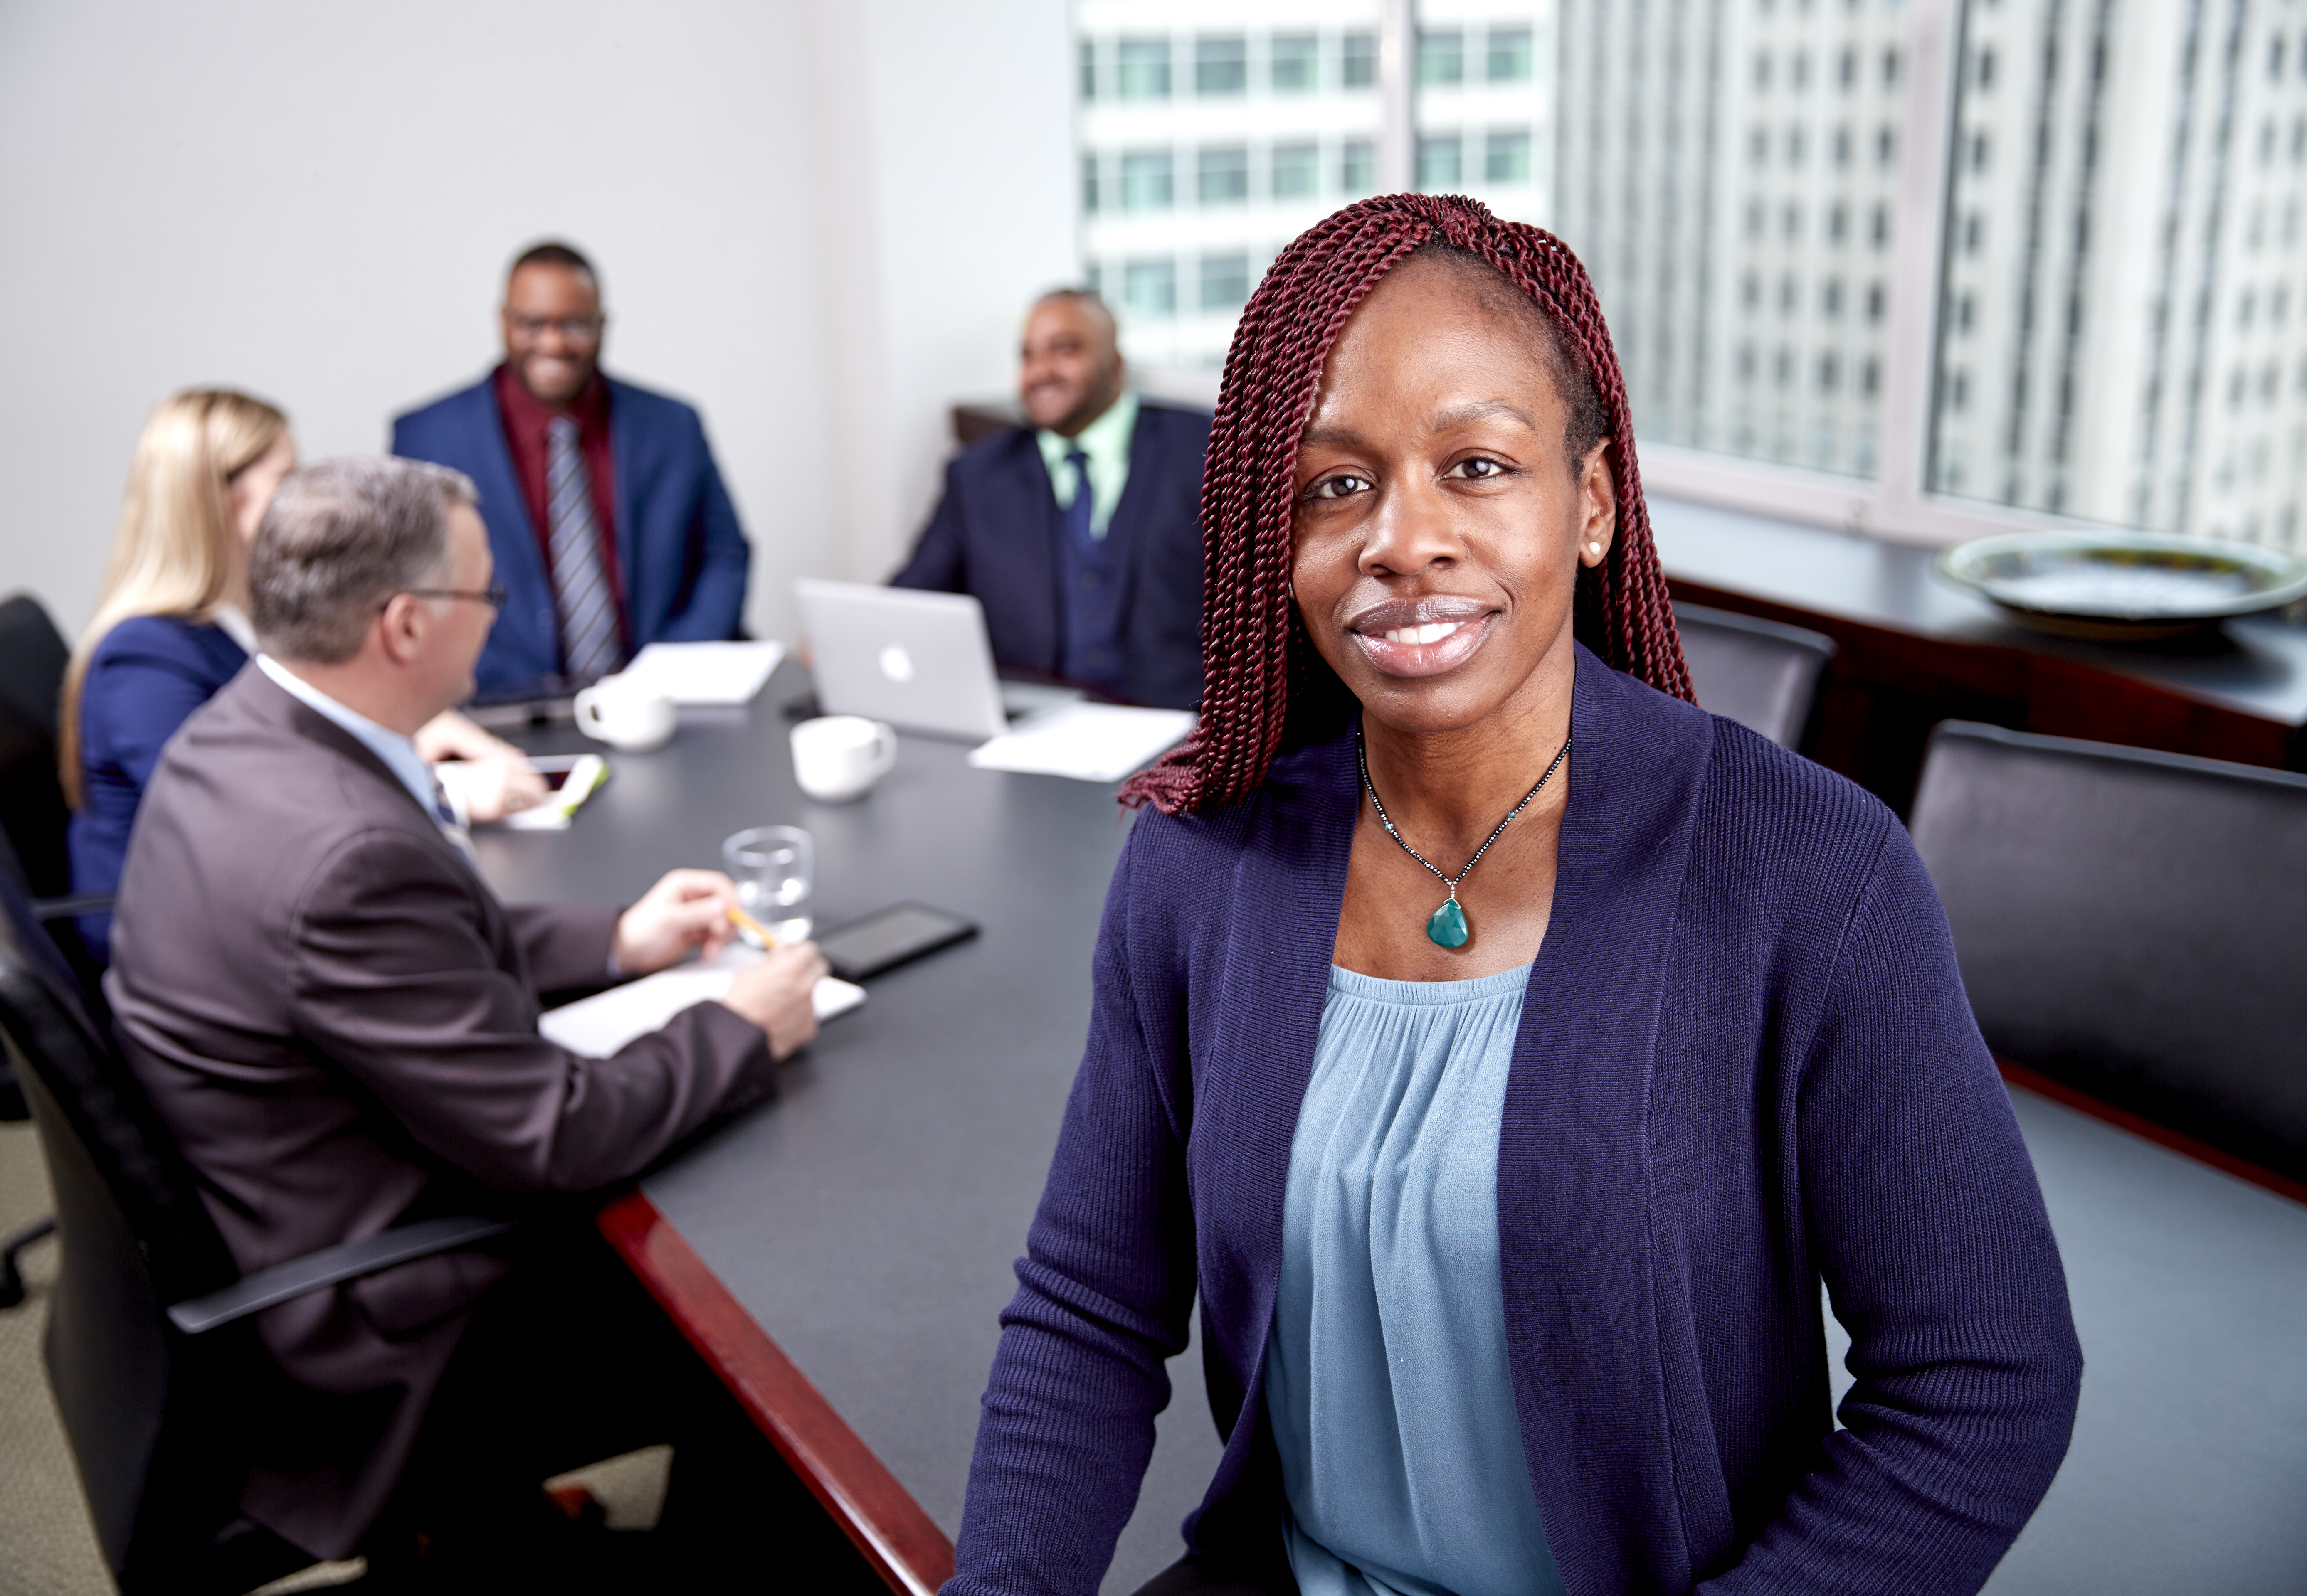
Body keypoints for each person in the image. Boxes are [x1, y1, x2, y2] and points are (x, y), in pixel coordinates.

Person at [948, 198, 2082, 1596]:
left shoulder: (1806, 871)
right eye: (1333, 486)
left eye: (1476, 465)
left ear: (1593, 504)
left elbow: (1983, 1382)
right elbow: (1087, 1313)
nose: (1400, 541)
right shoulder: (1201, 860)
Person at [104, 456, 838, 1578]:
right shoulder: (344, 851)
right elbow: (556, 1135)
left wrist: (615, 940)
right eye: (485, 595)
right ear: (403, 625)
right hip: (385, 1320)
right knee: (772, 1310)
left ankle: (494, 1524)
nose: (497, 618)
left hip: (283, 1206)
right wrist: (742, 1025)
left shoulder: (243, 731)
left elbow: (405, 961)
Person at [63, 390, 544, 961]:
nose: (303, 498)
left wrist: (414, 725)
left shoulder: (229, 622)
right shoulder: (143, 657)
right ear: (217, 501)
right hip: (177, 949)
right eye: (285, 478)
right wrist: (450, 793)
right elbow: (244, 818)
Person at [392, 240, 752, 699]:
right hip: (501, 707)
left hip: (662, 703)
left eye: (575, 325)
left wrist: (670, 671)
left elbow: (724, 554)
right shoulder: (427, 438)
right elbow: (412, 584)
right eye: (533, 324)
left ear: (604, 325)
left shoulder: (672, 424)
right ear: (504, 322)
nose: (554, 343)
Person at [891, 289, 1208, 710]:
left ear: (1115, 365)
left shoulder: (1206, 450)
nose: (1040, 372)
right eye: (1027, 356)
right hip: (1034, 724)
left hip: (1184, 729)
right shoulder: (978, 475)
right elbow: (912, 595)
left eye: (1065, 350)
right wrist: (850, 637)